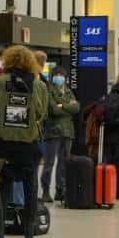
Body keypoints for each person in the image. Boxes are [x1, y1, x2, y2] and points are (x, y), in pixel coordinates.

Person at [0, 46, 48, 238]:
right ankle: (28, 237)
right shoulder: (39, 85)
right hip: (28, 145)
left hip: (3, 144)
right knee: (30, 189)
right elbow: (42, 113)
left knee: (3, 189)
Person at [40, 67, 79, 203]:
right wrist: (67, 106)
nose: (59, 77)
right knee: (49, 163)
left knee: (63, 163)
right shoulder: (48, 91)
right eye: (56, 75)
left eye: (61, 75)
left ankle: (60, 190)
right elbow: (53, 110)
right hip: (53, 131)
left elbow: (77, 108)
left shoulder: (69, 91)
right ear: (52, 77)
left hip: (68, 131)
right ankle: (45, 190)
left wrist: (62, 105)